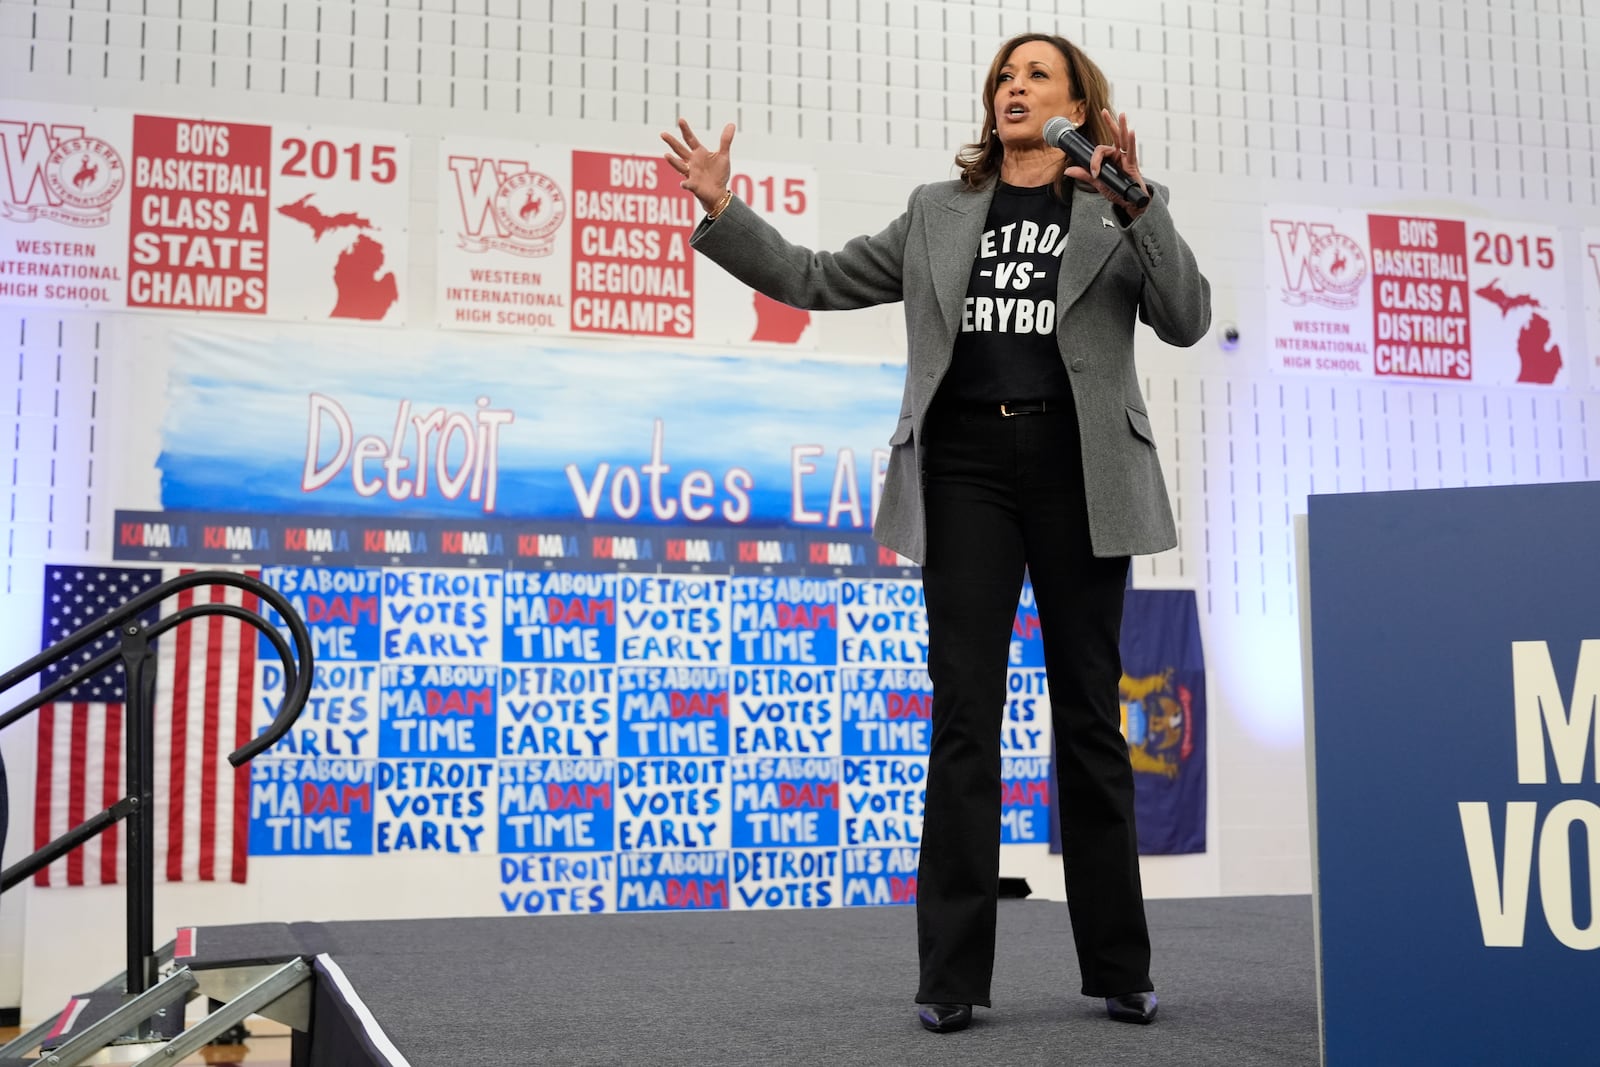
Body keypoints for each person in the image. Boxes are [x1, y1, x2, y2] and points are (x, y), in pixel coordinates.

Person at [663, 31, 1210, 1034]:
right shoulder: (938, 210)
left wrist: (1140, 205)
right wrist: (724, 210)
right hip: (963, 472)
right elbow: (817, 277)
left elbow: (1184, 317)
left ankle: (1118, 965)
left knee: (1088, 716)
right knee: (964, 714)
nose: (1012, 86)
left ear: (1077, 105)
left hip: (1081, 474)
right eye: (1004, 75)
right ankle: (950, 975)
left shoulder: (1116, 207)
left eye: (1035, 75)